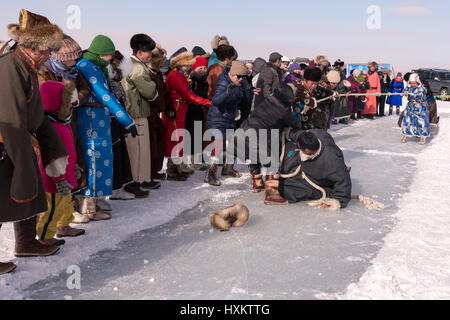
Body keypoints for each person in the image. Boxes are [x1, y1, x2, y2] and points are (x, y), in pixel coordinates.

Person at [0, 9, 68, 274]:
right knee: (4, 196)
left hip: (17, 142)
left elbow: (34, 115)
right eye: (47, 50)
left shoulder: (25, 67)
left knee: (24, 193)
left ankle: (26, 242)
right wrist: (23, 161)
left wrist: (52, 149)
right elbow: (10, 119)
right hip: (7, 142)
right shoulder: (9, 66)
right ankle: (26, 241)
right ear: (36, 47)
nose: (49, 56)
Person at [75, 35, 138, 220]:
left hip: (98, 117)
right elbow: (104, 95)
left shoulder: (96, 66)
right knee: (92, 159)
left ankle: (95, 201)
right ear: (101, 53)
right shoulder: (88, 66)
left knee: (101, 158)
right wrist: (127, 120)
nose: (111, 58)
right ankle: (87, 206)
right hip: (90, 119)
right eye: (109, 55)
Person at [36, 34, 93, 225]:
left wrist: (77, 99)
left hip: (71, 121)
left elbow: (85, 89)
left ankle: (71, 207)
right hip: (53, 123)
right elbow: (44, 96)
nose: (75, 61)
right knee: (58, 165)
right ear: (61, 57)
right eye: (71, 58)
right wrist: (64, 100)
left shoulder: (74, 72)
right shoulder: (45, 71)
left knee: (73, 162)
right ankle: (55, 214)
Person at [36, 81, 83, 246]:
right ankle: (44, 235)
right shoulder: (49, 127)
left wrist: (73, 166)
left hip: (66, 173)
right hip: (55, 177)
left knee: (66, 204)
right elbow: (51, 156)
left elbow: (68, 150)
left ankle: (64, 225)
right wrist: (58, 178)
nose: (71, 107)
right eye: (68, 103)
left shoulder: (62, 122)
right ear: (58, 103)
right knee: (53, 207)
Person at [236, 84, 302, 196]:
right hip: (256, 138)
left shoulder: (268, 101)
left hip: (241, 135)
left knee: (254, 155)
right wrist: (298, 113)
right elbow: (295, 123)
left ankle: (256, 183)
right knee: (273, 161)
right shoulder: (283, 110)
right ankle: (272, 194)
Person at [162, 50, 211, 180]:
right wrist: (206, 102)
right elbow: (188, 95)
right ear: (179, 64)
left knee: (179, 138)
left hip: (181, 109)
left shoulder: (179, 75)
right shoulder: (175, 76)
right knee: (175, 138)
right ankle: (172, 171)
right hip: (176, 109)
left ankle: (178, 168)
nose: (189, 68)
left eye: (189, 65)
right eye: (186, 65)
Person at [122, 34, 160, 195]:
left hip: (131, 111)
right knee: (137, 151)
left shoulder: (127, 64)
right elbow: (149, 90)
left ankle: (141, 179)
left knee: (138, 150)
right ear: (140, 51)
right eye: (149, 51)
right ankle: (136, 181)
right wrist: (154, 91)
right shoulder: (137, 68)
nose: (150, 54)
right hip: (136, 112)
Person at [276, 129, 352, 208]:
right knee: (289, 154)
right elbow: (298, 135)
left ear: (307, 151)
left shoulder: (331, 160)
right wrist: (289, 133)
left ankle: (329, 190)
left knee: (285, 190)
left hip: (314, 179)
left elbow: (344, 180)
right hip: (307, 167)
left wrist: (338, 200)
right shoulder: (313, 135)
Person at [205, 61, 253, 186]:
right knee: (219, 145)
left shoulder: (239, 83)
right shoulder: (223, 82)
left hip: (230, 118)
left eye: (243, 77)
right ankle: (210, 174)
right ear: (232, 74)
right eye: (239, 76)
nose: (241, 79)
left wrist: (248, 87)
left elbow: (246, 99)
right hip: (217, 118)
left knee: (233, 143)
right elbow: (216, 101)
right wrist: (227, 92)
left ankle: (228, 168)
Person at [108, 51, 145, 200]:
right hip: (111, 120)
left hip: (119, 119)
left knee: (121, 153)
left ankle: (119, 187)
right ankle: (115, 188)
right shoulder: (108, 80)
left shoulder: (116, 81)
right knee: (115, 153)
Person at [147, 44, 178, 180]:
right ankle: (149, 172)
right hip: (147, 115)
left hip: (156, 115)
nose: (161, 66)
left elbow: (165, 93)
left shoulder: (158, 74)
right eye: (159, 63)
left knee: (159, 145)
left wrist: (169, 108)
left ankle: (155, 170)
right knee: (151, 146)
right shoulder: (147, 74)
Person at [185, 55, 209, 171]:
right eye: (201, 67)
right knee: (191, 135)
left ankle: (195, 161)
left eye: (205, 68)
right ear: (195, 67)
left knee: (197, 135)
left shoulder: (203, 80)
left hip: (200, 109)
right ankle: (189, 162)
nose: (203, 70)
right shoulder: (192, 79)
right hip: (191, 109)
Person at [400, 73, 430, 145]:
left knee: (422, 122)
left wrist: (409, 94)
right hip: (410, 107)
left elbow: (419, 95)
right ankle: (405, 135)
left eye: (414, 83)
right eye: (411, 83)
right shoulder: (409, 87)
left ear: (417, 82)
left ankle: (423, 136)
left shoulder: (422, 88)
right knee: (406, 121)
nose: (412, 85)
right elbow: (405, 91)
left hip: (420, 108)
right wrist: (402, 93)